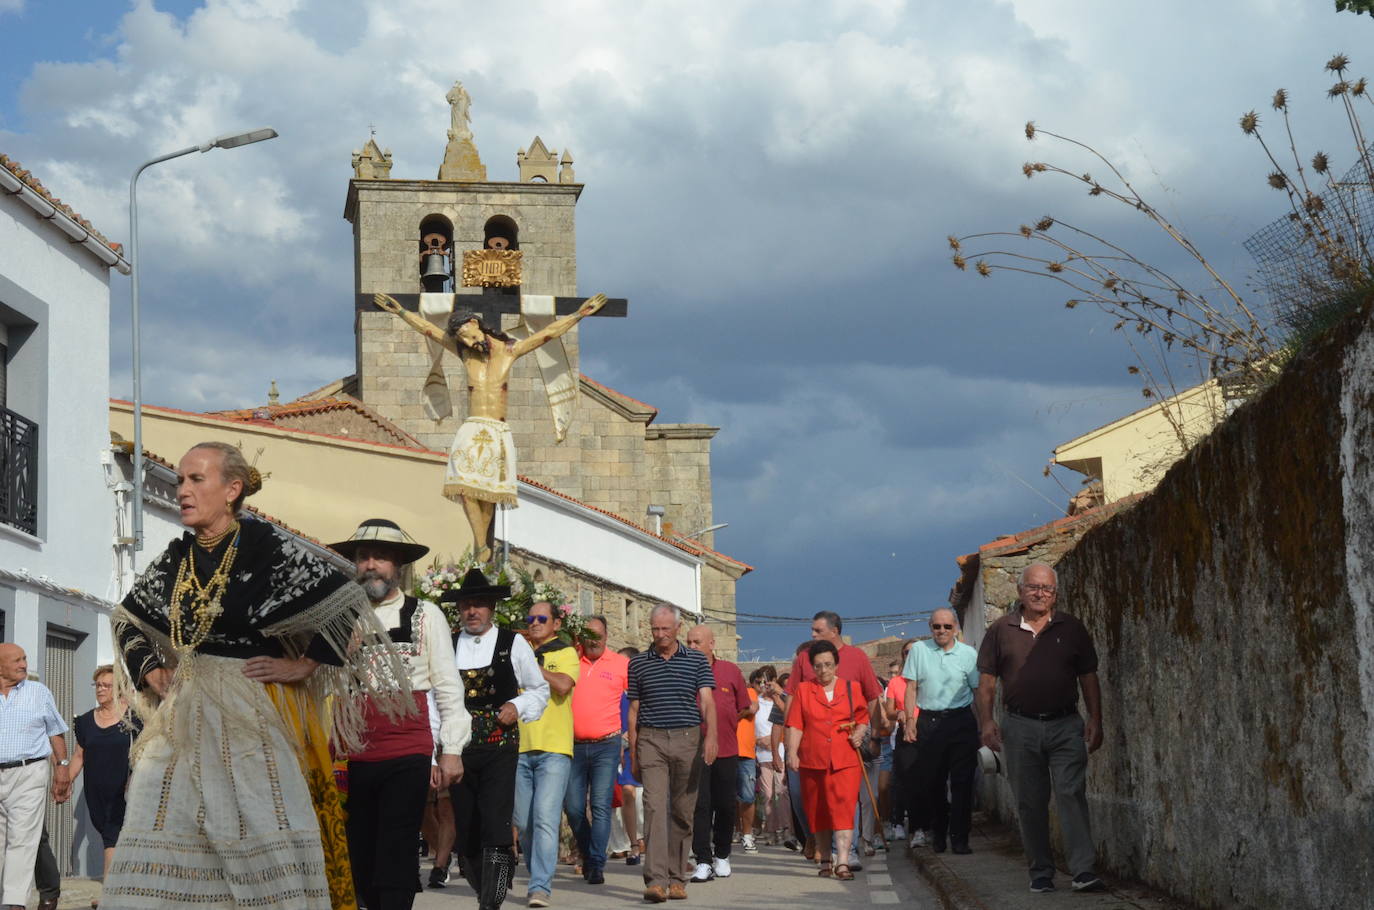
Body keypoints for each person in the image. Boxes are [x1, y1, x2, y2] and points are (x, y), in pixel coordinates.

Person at [106, 441, 410, 910]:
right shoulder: (175, 558)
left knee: (252, 819)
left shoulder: (265, 548)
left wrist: (303, 665)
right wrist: (152, 671)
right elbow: (126, 618)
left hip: (248, 704)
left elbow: (345, 602)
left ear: (232, 489)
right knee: (160, 811)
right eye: (180, 480)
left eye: (195, 479)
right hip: (184, 710)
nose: (182, 489)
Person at [374, 292, 608, 563]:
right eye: (461, 338)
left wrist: (579, 314)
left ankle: (481, 549)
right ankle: (479, 544)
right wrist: (401, 312)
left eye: (468, 334)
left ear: (476, 323)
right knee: (463, 485)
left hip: (497, 429)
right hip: (472, 427)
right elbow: (430, 330)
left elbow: (549, 333)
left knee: (489, 495)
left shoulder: (510, 351)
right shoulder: (464, 353)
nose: (467, 341)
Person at [330, 518, 471, 910]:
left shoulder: (426, 615)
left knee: (395, 844)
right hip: (355, 753)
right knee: (361, 849)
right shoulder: (342, 619)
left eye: (380, 557)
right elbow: (325, 682)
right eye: (362, 557)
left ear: (398, 566)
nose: (370, 565)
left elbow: (447, 684)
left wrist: (452, 748)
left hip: (407, 748)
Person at [977, 563, 1105, 894]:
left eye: (1047, 589)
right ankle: (1041, 871)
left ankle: (1082, 870)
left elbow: (1088, 676)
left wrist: (1095, 718)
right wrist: (987, 721)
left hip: (1065, 725)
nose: (1040, 593)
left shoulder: (1071, 627)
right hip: (1019, 728)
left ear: (1056, 594)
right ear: (1020, 591)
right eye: (1033, 587)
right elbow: (987, 682)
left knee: (1070, 793)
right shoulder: (1000, 630)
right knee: (1029, 801)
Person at [443, 567, 550, 910]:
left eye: (478, 604)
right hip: (458, 747)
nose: (472, 611)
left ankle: (492, 902)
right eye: (466, 605)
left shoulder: (512, 642)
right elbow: (434, 696)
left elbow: (539, 689)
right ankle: (481, 890)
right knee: (467, 828)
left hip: (500, 748)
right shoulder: (446, 644)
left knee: (496, 824)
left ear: (491, 608)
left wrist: (517, 706)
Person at [627, 606, 717, 903]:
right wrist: (635, 757)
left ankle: (678, 878)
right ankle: (655, 880)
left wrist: (711, 737)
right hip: (651, 739)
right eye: (655, 629)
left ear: (678, 628)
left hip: (687, 738)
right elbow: (634, 710)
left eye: (666, 629)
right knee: (653, 807)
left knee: (682, 810)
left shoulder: (696, 661)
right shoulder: (638, 663)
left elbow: (706, 700)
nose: (660, 635)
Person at [784, 640, 869, 882]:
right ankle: (825, 858)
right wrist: (792, 752)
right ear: (812, 667)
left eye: (828, 665)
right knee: (818, 810)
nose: (823, 671)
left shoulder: (852, 688)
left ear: (837, 665)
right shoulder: (803, 690)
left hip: (845, 759)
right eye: (818, 666)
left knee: (843, 809)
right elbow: (796, 724)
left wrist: (860, 734)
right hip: (813, 760)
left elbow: (863, 717)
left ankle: (842, 860)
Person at [513, 600, 579, 908]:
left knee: (545, 819)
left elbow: (564, 685)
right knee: (523, 823)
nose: (535, 622)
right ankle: (536, 872)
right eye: (531, 618)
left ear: (556, 624)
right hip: (519, 748)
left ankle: (540, 886)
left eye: (542, 618)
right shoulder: (516, 651)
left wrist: (531, 666)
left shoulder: (565, 653)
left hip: (553, 748)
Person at [902, 608, 980, 855]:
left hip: (960, 720)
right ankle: (938, 832)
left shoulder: (968, 654)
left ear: (956, 627)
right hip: (930, 722)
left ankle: (960, 837)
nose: (942, 631)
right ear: (930, 628)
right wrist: (910, 722)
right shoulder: (919, 651)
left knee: (963, 782)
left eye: (947, 626)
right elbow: (911, 688)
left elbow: (978, 691)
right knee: (933, 782)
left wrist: (985, 723)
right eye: (937, 627)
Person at [0, 643, 69, 910]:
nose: (23, 665)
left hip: (30, 772)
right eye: (16, 660)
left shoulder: (38, 692)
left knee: (23, 839)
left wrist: (61, 767)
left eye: (24, 659)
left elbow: (55, 731)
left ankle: (15, 904)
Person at [683, 625, 751, 882]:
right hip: (693, 751)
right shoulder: (682, 671)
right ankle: (702, 860)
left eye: (696, 642)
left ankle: (722, 854)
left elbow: (745, 706)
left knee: (724, 805)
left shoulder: (730, 671)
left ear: (711, 644)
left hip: (726, 749)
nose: (691, 646)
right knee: (700, 806)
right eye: (688, 642)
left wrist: (729, 718)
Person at [565, 616, 629, 884]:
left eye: (599, 635)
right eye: (589, 635)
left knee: (601, 806)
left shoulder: (621, 664)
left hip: (607, 745)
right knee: (574, 808)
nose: (594, 640)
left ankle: (595, 863)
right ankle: (591, 849)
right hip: (573, 746)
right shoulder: (570, 660)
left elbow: (638, 699)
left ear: (606, 636)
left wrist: (631, 735)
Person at [68, 665, 138, 899]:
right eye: (98, 685)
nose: (101, 689)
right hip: (96, 789)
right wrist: (66, 781)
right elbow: (80, 755)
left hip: (125, 788)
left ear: (119, 689)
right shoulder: (86, 721)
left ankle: (109, 893)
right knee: (109, 833)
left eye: (106, 685)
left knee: (112, 835)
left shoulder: (134, 718)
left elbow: (146, 752)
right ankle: (127, 886)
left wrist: (136, 777)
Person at [751, 667, 790, 846]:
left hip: (780, 752)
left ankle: (786, 829)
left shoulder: (781, 700)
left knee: (781, 793)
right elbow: (749, 727)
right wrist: (759, 741)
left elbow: (786, 723)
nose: (763, 685)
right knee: (767, 794)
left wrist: (774, 740)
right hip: (762, 754)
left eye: (766, 681)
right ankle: (771, 830)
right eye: (760, 682)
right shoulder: (755, 702)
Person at [886, 640, 919, 844]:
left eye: (914, 652)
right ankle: (898, 822)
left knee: (925, 779)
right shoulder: (895, 682)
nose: (910, 655)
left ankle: (921, 825)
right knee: (902, 779)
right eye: (907, 652)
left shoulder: (928, 679)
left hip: (926, 732)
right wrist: (898, 712)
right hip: (904, 733)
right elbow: (888, 711)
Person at [735, 677, 760, 853]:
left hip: (746, 753)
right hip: (726, 751)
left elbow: (751, 708)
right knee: (726, 798)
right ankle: (734, 831)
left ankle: (747, 834)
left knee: (748, 796)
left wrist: (730, 714)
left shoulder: (749, 691)